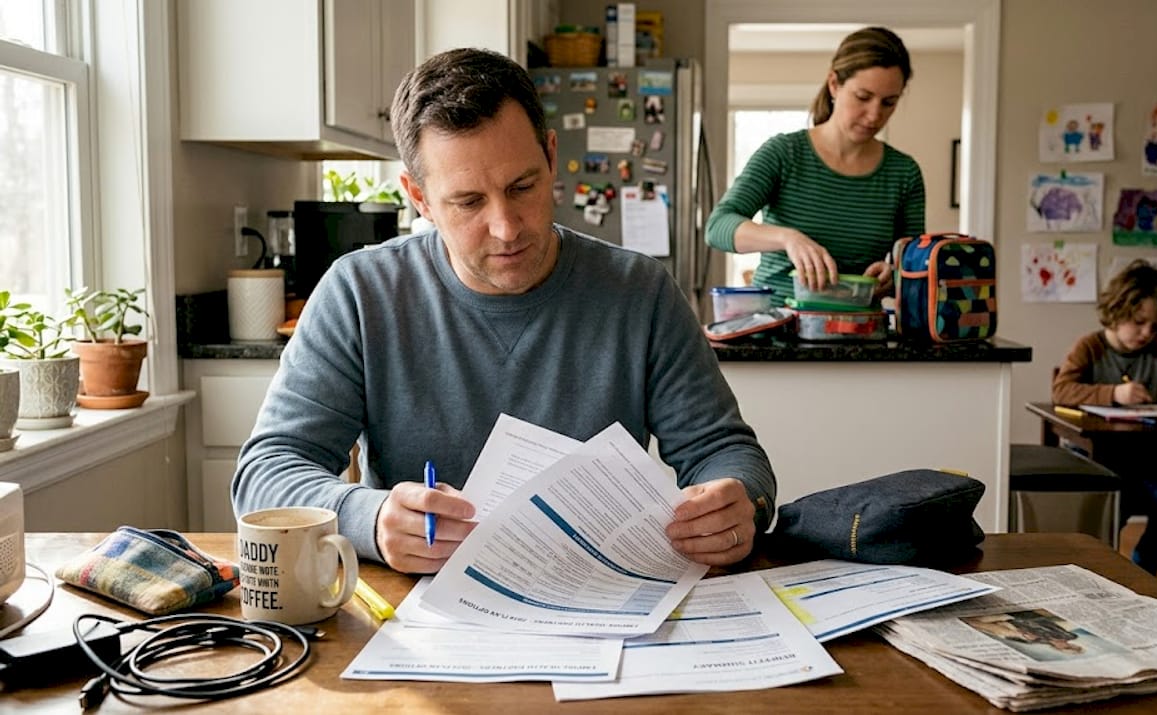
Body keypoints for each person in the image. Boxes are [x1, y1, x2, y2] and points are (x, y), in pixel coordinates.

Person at [231, 48, 776, 574]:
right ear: (418, 197)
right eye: (468, 202)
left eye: (523, 186)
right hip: (424, 614)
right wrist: (370, 519)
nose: (507, 227)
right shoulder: (360, 292)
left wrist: (739, 504)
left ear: (551, 155)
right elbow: (266, 472)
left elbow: (725, 451)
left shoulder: (640, 291)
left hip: (605, 599)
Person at [705, 26, 925, 304]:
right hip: (776, 330)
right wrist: (787, 238)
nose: (874, 115)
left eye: (888, 103)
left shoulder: (904, 174)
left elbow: (916, 265)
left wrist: (893, 276)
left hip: (860, 333)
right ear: (834, 84)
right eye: (863, 97)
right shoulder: (784, 153)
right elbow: (717, 227)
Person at [1051, 259, 1157, 575]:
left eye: (1154, 327)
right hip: (1095, 459)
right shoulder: (1090, 347)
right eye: (1139, 322)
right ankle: (1098, 574)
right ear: (1119, 310)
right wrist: (1114, 394)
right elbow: (1062, 390)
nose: (1146, 333)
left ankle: (1140, 572)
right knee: (1111, 509)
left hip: (1145, 459)